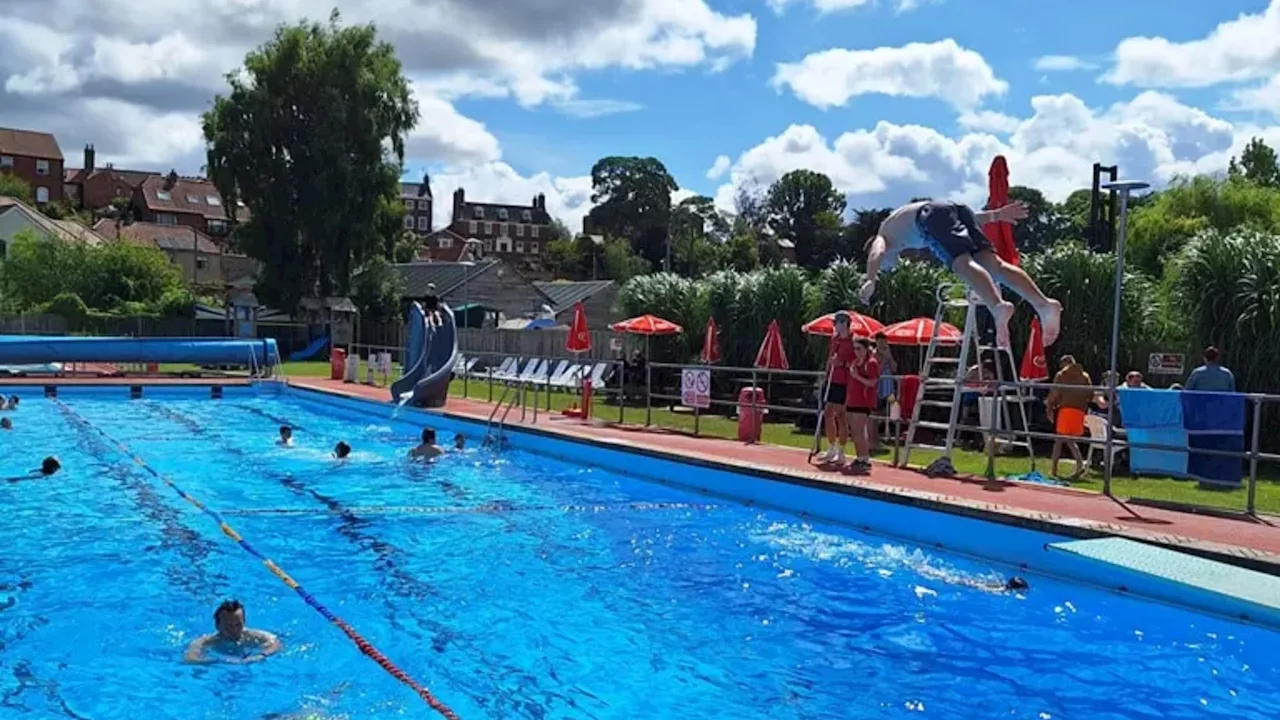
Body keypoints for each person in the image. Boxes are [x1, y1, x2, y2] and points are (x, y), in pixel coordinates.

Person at [860, 200, 1063, 350]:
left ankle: (997, 306)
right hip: (956, 208)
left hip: (928, 216)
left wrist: (871, 278)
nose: (888, 268)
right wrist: (996, 215)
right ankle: (1044, 304)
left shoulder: (883, 234)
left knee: (961, 264)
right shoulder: (899, 228)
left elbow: (876, 253)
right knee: (994, 265)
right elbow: (954, 217)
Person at [184, 599, 282, 664]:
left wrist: (261, 655)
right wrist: (220, 661)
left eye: (238, 625)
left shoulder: (252, 636)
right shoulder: (207, 642)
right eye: (228, 626)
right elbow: (190, 658)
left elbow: (276, 643)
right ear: (217, 625)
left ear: (244, 622)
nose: (234, 630)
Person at [818, 312, 857, 465]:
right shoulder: (834, 339)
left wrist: (841, 363)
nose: (834, 326)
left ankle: (841, 451)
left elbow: (856, 363)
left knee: (841, 415)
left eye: (836, 323)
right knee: (828, 412)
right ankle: (831, 447)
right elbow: (830, 357)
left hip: (845, 381)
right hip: (832, 380)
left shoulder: (853, 340)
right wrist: (827, 372)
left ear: (844, 323)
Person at [1045, 355, 1092, 480]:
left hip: (1065, 409)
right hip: (1079, 410)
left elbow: (1054, 393)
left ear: (1064, 363)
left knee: (1062, 439)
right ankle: (1060, 468)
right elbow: (1090, 393)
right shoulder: (1085, 376)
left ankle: (1073, 465)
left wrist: (1049, 407)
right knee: (1066, 439)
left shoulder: (1061, 375)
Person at [844, 337, 881, 474]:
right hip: (853, 400)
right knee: (854, 432)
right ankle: (860, 457)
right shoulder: (855, 362)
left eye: (859, 349)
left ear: (866, 349)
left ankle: (865, 458)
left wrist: (857, 377)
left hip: (863, 401)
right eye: (855, 349)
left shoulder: (871, 363)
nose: (856, 352)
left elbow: (872, 383)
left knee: (859, 431)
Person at [871, 333, 897, 453]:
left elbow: (894, 369)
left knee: (893, 408)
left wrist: (890, 357)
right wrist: (883, 359)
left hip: (888, 386)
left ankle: (885, 431)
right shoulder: (873, 354)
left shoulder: (889, 353)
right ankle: (873, 438)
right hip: (878, 387)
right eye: (880, 341)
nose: (882, 343)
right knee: (875, 411)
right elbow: (877, 371)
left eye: (884, 341)